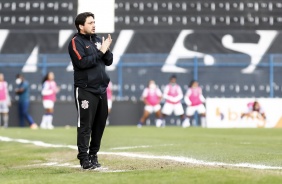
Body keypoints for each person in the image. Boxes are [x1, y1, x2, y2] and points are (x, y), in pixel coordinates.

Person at [68, 12, 113, 170]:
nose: (94, 25)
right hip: (85, 89)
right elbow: (82, 63)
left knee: (100, 124)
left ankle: (93, 155)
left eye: (94, 22)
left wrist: (106, 49)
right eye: (90, 23)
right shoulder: (75, 42)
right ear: (81, 26)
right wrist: (100, 51)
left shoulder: (97, 40)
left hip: (101, 89)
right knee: (85, 125)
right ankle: (84, 158)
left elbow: (109, 61)